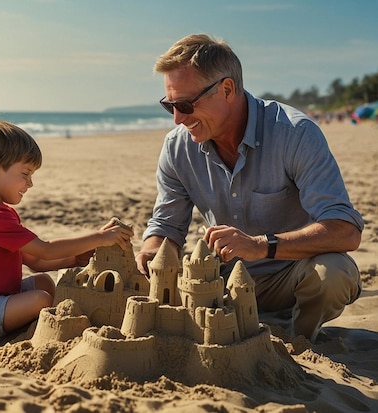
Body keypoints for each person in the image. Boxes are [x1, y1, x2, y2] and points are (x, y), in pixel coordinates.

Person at [135, 34, 364, 343]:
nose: (178, 119)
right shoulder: (177, 148)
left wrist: (260, 245)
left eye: (186, 104)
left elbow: (345, 230)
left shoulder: (295, 134)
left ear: (227, 89)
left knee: (334, 273)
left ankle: (299, 342)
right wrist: (153, 250)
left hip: (292, 277)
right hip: (219, 282)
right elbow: (167, 226)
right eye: (169, 105)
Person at [0, 120, 134, 340]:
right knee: (41, 299)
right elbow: (45, 250)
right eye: (25, 174)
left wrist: (74, 259)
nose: (30, 183)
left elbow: (35, 261)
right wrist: (100, 238)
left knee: (44, 282)